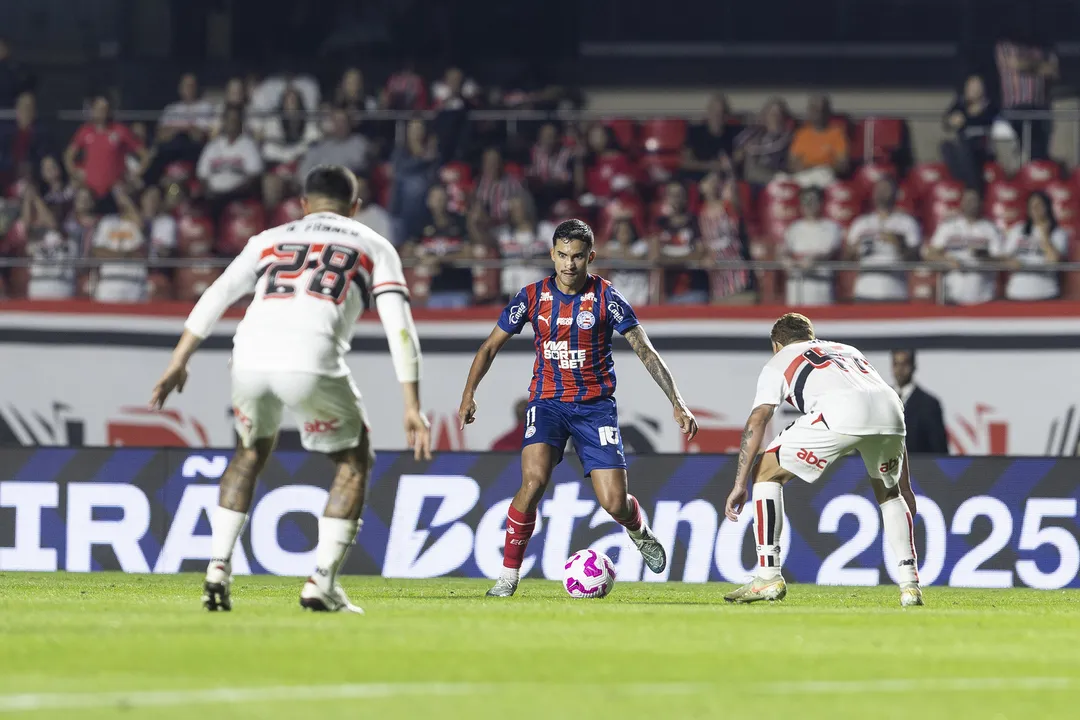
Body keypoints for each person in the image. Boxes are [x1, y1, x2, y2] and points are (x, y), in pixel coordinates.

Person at [148, 165, 432, 614]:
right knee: (354, 460)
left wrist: (178, 360)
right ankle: (321, 581)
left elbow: (216, 295)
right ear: (355, 208)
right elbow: (401, 328)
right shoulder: (374, 245)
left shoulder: (267, 240)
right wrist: (411, 404)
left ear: (303, 204)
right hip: (311, 360)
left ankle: (217, 566)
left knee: (248, 452)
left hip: (249, 357)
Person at [457, 218, 699, 597]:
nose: (569, 264)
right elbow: (490, 346)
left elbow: (645, 351)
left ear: (591, 256)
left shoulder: (606, 297)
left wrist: (678, 402)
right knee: (533, 482)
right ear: (552, 254)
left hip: (594, 408)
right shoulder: (532, 297)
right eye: (563, 256)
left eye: (577, 257)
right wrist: (469, 393)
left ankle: (638, 530)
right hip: (547, 402)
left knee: (614, 502)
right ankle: (508, 575)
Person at [723, 313, 922, 607]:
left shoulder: (778, 361)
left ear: (777, 344)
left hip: (843, 412)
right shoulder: (847, 351)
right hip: (893, 410)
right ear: (811, 337)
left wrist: (740, 482)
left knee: (765, 472)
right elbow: (882, 412)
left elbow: (758, 418)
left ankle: (767, 576)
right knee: (890, 495)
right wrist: (905, 486)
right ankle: (910, 585)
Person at [846, 177, 921, 302]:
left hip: (895, 291)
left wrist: (899, 244)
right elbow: (846, 257)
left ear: (896, 193)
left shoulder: (907, 223)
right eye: (878, 189)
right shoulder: (861, 223)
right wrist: (853, 251)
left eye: (886, 189)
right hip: (865, 291)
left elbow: (916, 259)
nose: (881, 193)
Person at [924, 187, 1001, 305]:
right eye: (967, 200)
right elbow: (930, 254)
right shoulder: (948, 226)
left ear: (981, 203)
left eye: (974, 200)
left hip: (983, 297)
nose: (971, 204)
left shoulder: (990, 228)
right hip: (952, 297)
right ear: (961, 203)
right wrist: (947, 260)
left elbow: (1001, 260)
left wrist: (986, 257)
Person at [1000, 190, 1068, 301]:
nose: (1035, 209)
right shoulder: (1017, 230)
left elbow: (1054, 261)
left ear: (1047, 207)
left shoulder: (1058, 233)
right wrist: (1009, 260)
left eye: (1039, 205)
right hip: (1017, 293)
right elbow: (1004, 256)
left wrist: (1044, 235)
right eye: (1032, 205)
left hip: (1046, 294)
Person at [781, 187, 843, 306]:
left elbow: (829, 252)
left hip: (821, 289)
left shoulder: (832, 227)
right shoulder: (794, 228)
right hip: (796, 289)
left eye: (812, 200)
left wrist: (812, 260)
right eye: (805, 201)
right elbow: (784, 251)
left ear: (821, 203)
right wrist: (785, 259)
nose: (808, 204)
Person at [941, 76, 997, 191]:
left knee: (966, 149)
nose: (974, 90)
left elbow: (989, 118)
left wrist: (971, 114)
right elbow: (946, 122)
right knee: (946, 146)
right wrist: (951, 120)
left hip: (983, 146)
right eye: (971, 87)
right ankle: (962, 183)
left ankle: (972, 188)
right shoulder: (960, 104)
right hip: (964, 147)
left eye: (977, 87)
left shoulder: (989, 106)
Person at [891, 349, 948, 454]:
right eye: (896, 364)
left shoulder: (929, 404)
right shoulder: (881, 400)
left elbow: (939, 450)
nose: (900, 369)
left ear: (913, 366)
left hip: (918, 467)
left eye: (904, 364)